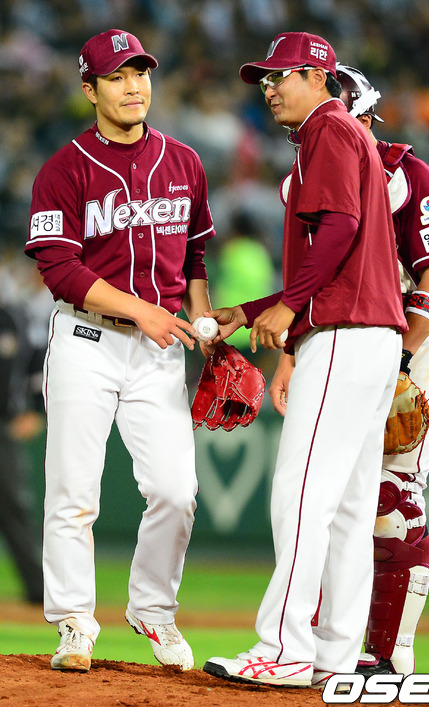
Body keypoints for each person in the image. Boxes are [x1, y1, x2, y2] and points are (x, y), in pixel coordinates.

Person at [202, 31, 408, 688]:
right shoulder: (347, 135)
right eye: (264, 79)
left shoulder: (327, 127)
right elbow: (343, 243)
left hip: (344, 331)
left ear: (319, 77)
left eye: (281, 75)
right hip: (374, 334)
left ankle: (284, 649)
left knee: (300, 494)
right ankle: (333, 655)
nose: (269, 88)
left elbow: (340, 228)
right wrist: (253, 308)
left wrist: (289, 307)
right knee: (347, 507)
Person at [25, 29, 216, 672]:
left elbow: (195, 255)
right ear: (90, 89)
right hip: (86, 340)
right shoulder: (64, 169)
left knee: (176, 491)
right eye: (117, 76)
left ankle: (152, 609)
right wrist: (141, 310)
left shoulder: (185, 162)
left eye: (140, 73)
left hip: (160, 350)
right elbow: (58, 267)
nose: (134, 86)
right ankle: (74, 622)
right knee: (73, 492)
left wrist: (202, 322)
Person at [332, 64, 429, 677]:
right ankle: (323, 644)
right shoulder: (306, 177)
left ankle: (390, 657)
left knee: (392, 500)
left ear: (363, 117)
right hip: (339, 348)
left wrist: (404, 359)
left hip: (407, 348)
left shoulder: (409, 175)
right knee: (329, 501)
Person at [0, 288, 44, 605]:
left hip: (3, 425)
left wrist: (37, 410)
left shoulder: (13, 316)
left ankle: (39, 590)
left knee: (15, 507)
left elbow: (37, 363)